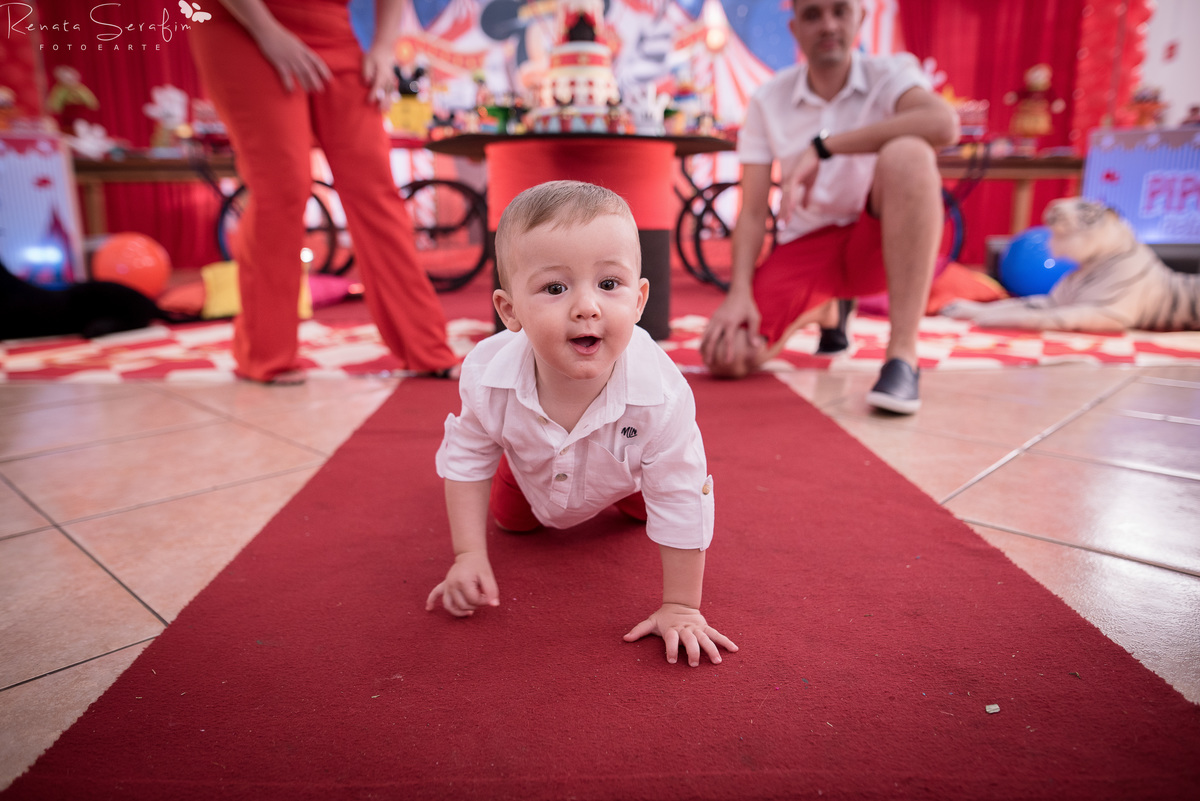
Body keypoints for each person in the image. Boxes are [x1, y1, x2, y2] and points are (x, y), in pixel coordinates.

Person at [426, 181, 737, 668]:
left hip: (628, 473)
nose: (587, 307)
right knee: (510, 521)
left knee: (650, 504)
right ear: (510, 311)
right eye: (555, 288)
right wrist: (468, 553)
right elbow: (467, 458)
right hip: (529, 471)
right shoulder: (488, 377)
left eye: (609, 285)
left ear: (638, 301)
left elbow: (679, 491)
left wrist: (681, 606)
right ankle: (524, 493)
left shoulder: (662, 394)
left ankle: (630, 496)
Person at [699, 0, 960, 414]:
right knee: (726, 355)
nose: (829, 25)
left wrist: (825, 147)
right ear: (794, 28)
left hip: (876, 240)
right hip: (808, 244)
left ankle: (902, 357)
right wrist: (739, 293)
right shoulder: (768, 98)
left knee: (910, 153)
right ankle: (826, 309)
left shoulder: (892, 72)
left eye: (840, 11)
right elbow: (750, 213)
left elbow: (944, 125)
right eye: (813, 14)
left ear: (861, 18)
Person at [190, 0, 459, 384]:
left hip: (333, 31)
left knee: (375, 189)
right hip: (245, 24)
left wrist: (382, 49)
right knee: (283, 188)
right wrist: (268, 33)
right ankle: (265, 354)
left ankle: (426, 349)